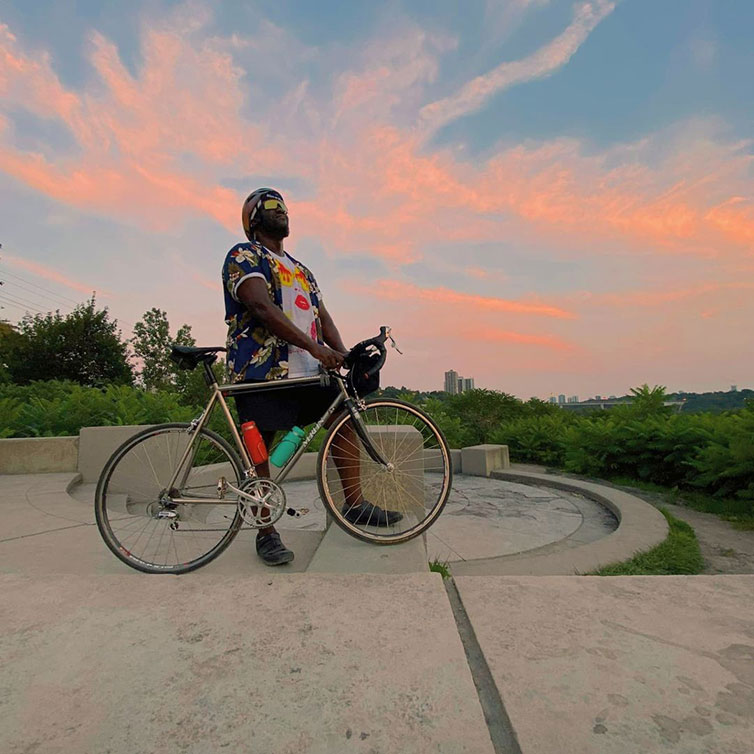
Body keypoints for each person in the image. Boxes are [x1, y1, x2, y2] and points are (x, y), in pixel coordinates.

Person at [222, 188, 402, 566]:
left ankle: (354, 505)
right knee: (259, 453)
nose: (281, 210)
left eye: (284, 206)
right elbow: (260, 305)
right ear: (253, 220)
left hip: (309, 372)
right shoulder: (243, 255)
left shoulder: (301, 270)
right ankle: (265, 530)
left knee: (343, 424)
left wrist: (345, 355)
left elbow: (321, 316)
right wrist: (317, 348)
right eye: (270, 206)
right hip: (262, 370)